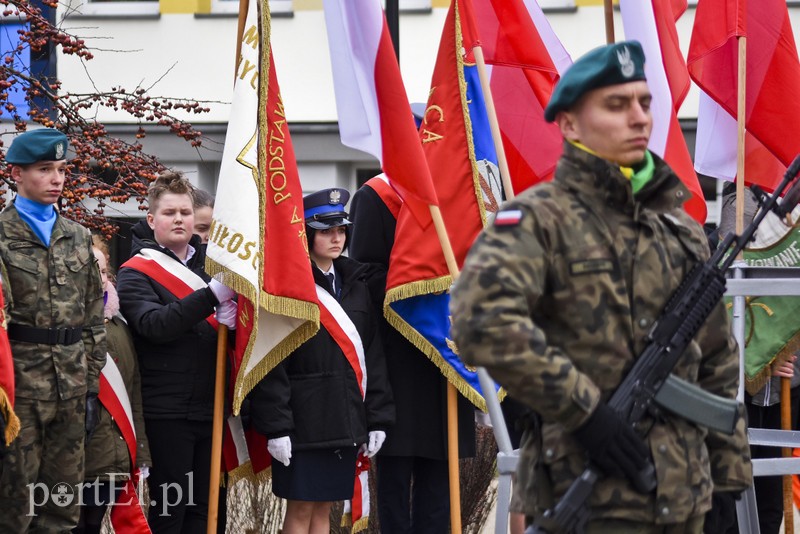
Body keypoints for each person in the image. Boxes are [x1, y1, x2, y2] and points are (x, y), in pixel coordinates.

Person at [449, 41, 752, 532]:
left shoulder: (679, 226)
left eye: (644, 102)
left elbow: (716, 358)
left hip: (685, 498)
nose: (638, 117)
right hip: (584, 494)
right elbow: (479, 322)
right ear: (569, 123)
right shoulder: (533, 221)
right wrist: (586, 413)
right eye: (616, 105)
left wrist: (728, 476)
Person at [249, 187, 395, 534]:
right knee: (300, 510)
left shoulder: (355, 282)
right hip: (303, 420)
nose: (336, 238)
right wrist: (277, 426)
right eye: (326, 231)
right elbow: (272, 359)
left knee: (324, 510)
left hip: (344, 417)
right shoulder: (288, 284)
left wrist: (377, 417)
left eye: (341, 230)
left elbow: (371, 356)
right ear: (308, 234)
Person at [348, 173, 476, 533]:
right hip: (398, 361)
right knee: (394, 481)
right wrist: (423, 290)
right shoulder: (376, 196)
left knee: (440, 484)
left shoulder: (454, 195)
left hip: (445, 360)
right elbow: (366, 275)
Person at [116, 171, 236, 533]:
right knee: (172, 511)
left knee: (207, 510)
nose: (180, 219)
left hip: (211, 405)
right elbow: (155, 325)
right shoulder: (134, 272)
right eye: (170, 213)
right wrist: (210, 298)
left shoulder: (210, 266)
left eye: (185, 212)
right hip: (167, 412)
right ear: (152, 220)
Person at [0, 128, 107, 531]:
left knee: (62, 506)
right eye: (45, 169)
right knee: (13, 506)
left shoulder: (78, 236)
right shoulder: (1, 235)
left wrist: (91, 382)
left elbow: (93, 316)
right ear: (17, 174)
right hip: (20, 392)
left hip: (72, 387)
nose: (57, 179)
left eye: (61, 169)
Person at [74, 238, 152, 534]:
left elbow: (133, 394)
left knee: (93, 524)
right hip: (73, 454)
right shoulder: (58, 328)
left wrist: (140, 452)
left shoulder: (120, 326)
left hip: (112, 455)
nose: (99, 278)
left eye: (103, 271)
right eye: (89, 270)